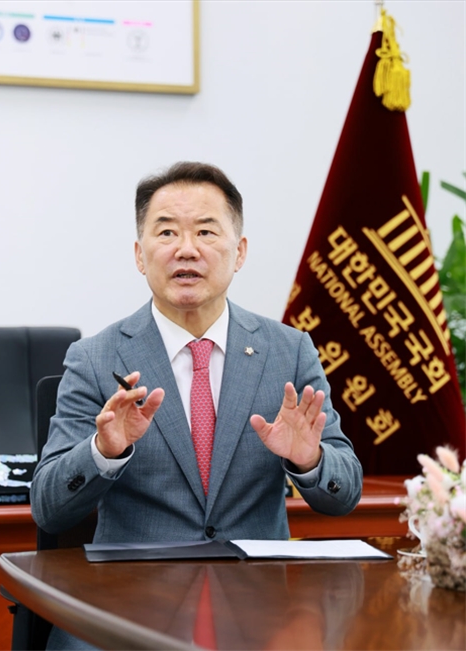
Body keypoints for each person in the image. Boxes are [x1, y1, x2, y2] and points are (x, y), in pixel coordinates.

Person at [31, 161, 362, 650]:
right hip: (126, 603)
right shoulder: (95, 358)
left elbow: (344, 493)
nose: (186, 249)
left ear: (239, 251)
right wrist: (103, 452)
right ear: (140, 255)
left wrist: (309, 459)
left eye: (206, 231)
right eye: (167, 232)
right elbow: (48, 509)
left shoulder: (289, 352)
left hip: (260, 604)